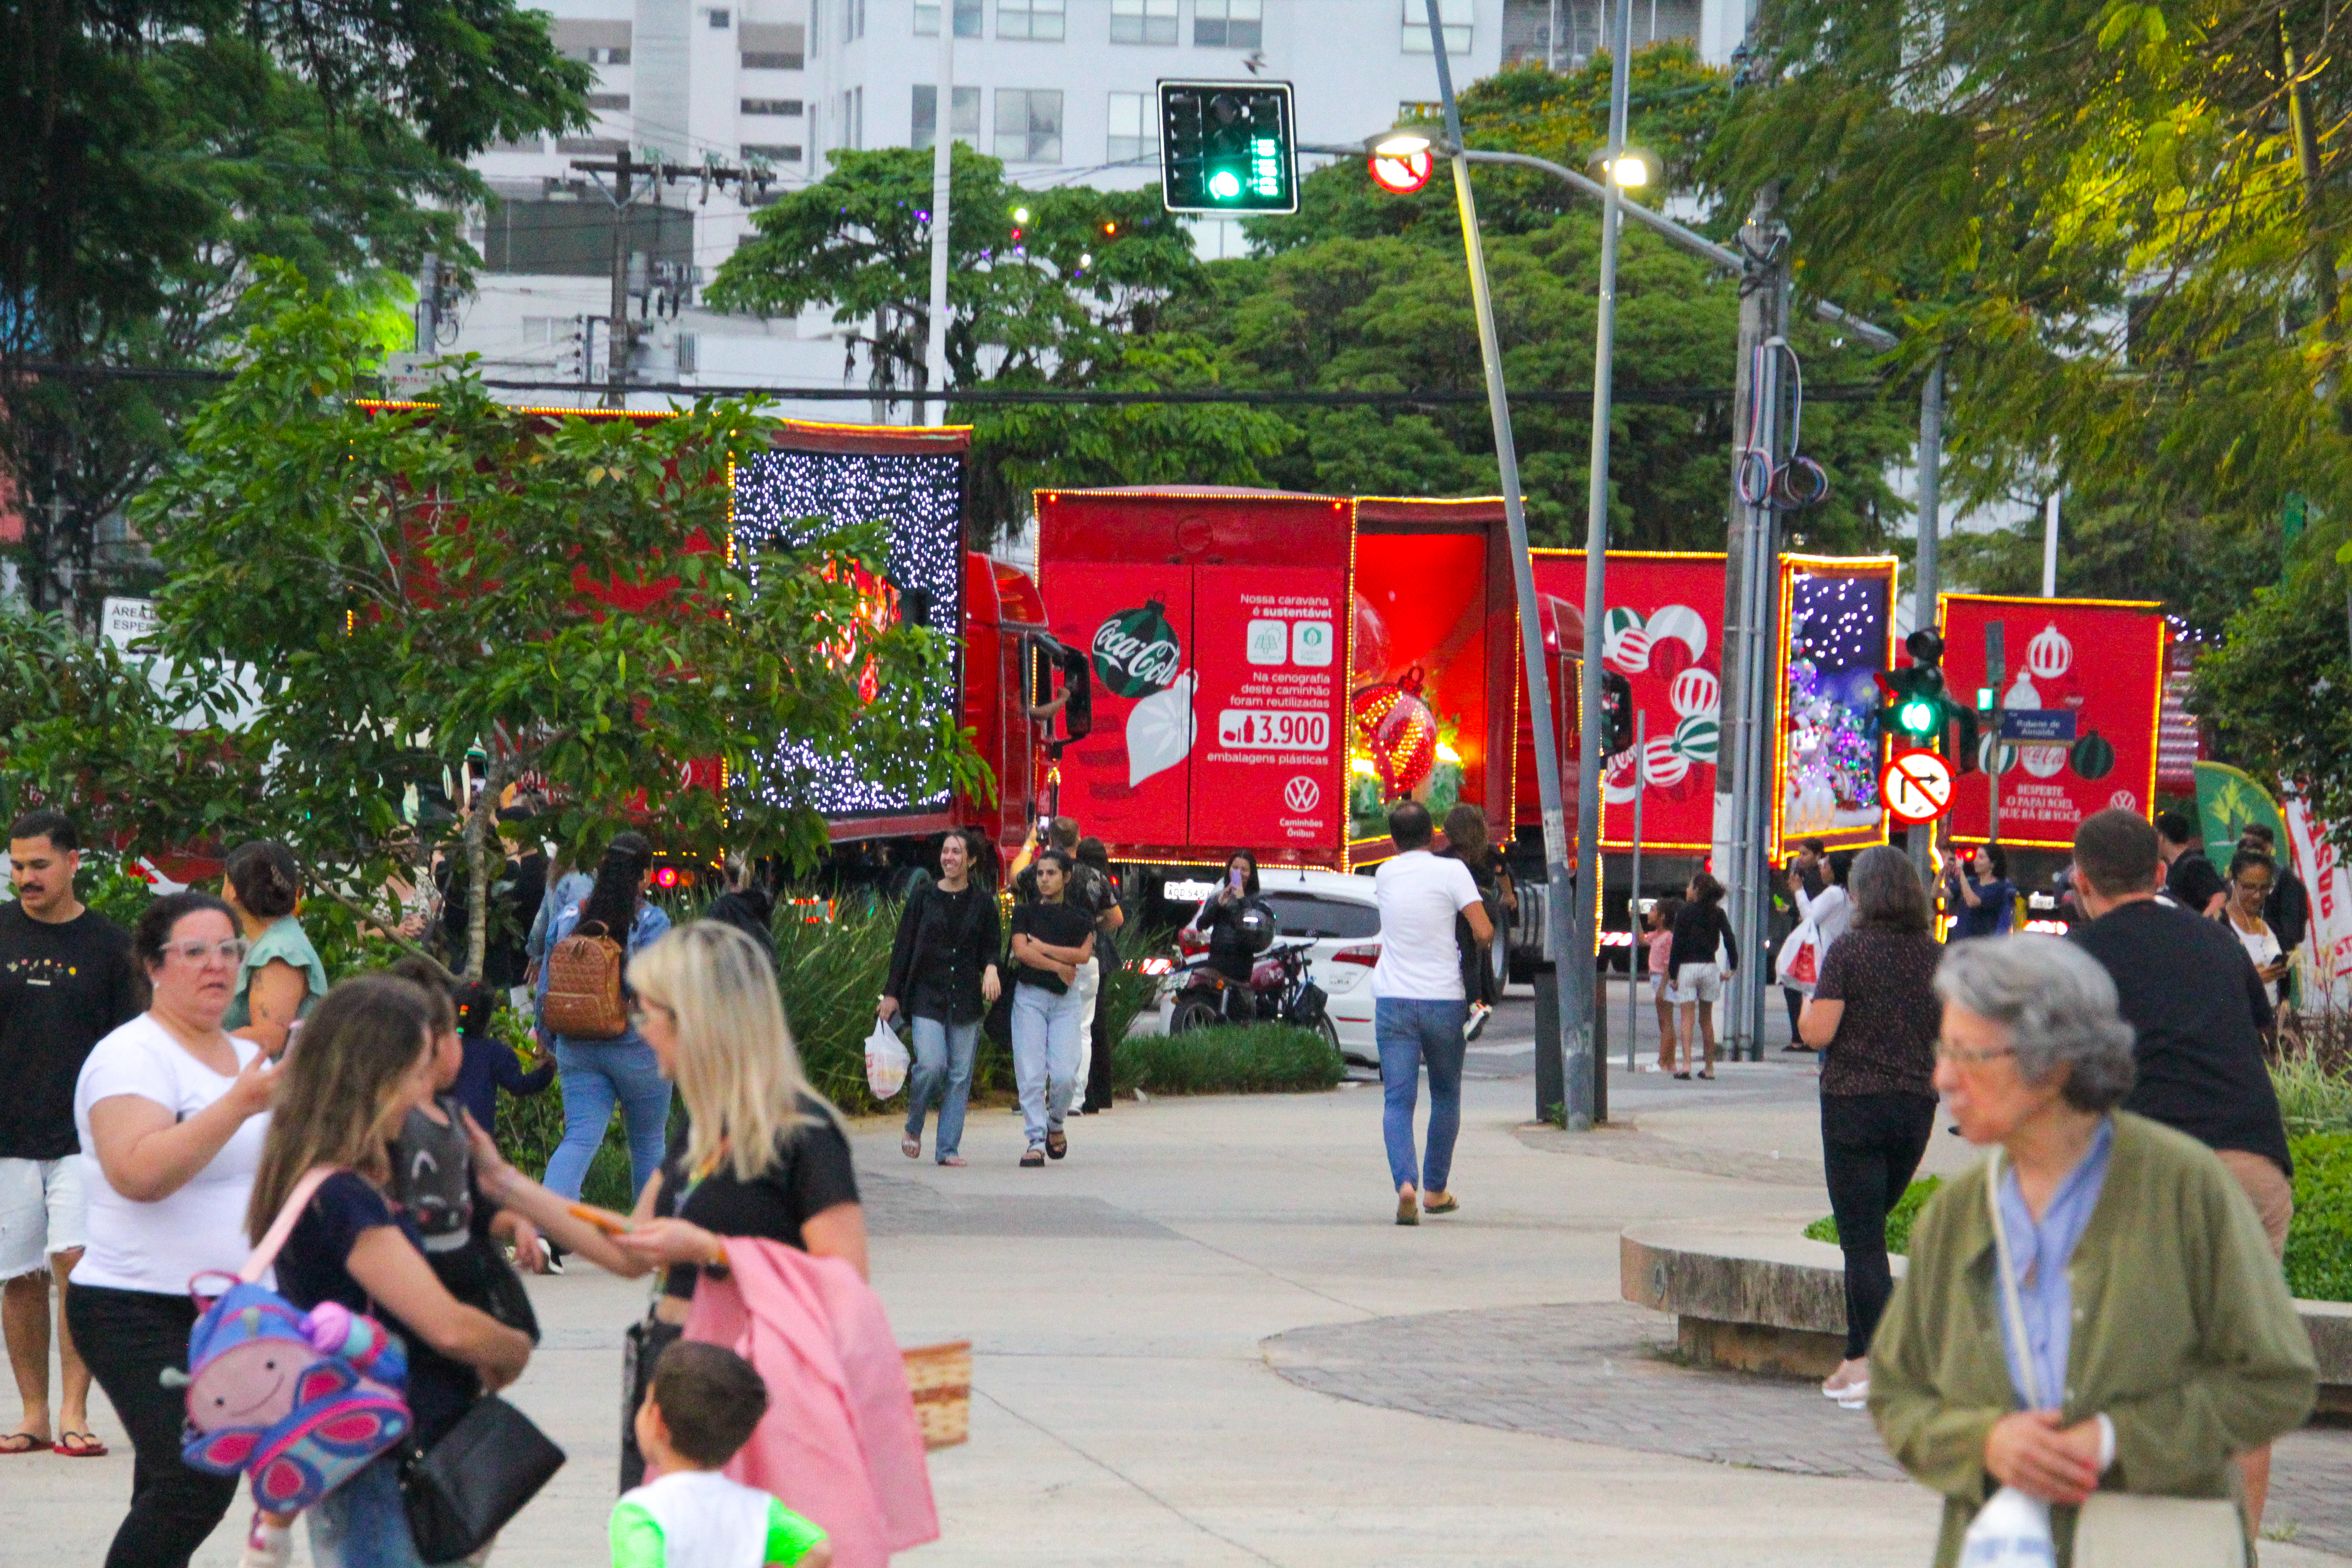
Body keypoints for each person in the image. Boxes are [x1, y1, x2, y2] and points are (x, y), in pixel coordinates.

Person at [1869, 935, 2317, 1568]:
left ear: (2053, 1065)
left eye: (1970, 1055)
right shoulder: (1960, 1214)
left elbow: (2276, 1378)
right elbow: (1896, 1392)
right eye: (1945, 1050)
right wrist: (1986, 1443)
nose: (1944, 1077)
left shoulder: (2185, 1189)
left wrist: (2114, 1441)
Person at [467, 921, 865, 1490]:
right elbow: (632, 1244)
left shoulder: (802, 1130)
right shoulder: (704, 1126)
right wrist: (507, 1183)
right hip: (673, 1375)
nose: (641, 1031)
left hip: (743, 1389)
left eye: (650, 1013)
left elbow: (845, 1282)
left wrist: (712, 1250)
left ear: (699, 1021)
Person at [249, 975, 535, 1568]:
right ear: (378, 1079)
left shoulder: (317, 1178)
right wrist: (511, 1348)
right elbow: (447, 1326)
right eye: (417, 1073)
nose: (425, 1090)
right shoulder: (346, 1196)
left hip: (382, 1450)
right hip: (384, 1460)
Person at [2067, 806, 2297, 1525]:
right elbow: (2261, 1035)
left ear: (2079, 883)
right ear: (2160, 874)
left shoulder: (2078, 956)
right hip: (2257, 1165)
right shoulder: (2215, 941)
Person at [69, 892, 277, 1568]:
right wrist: (239, 1105)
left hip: (231, 1316)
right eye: (195, 953)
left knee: (165, 1490)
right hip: (138, 1310)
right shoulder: (130, 1057)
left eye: (228, 951)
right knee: (197, 1478)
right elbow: (138, 1173)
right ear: (154, 967)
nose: (216, 967)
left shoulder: (243, 1058)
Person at [1, 810, 141, 1459]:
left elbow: (132, 1048)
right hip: (7, 1138)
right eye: (17, 865)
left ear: (73, 862)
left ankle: (73, 1412)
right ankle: (30, 1412)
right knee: (20, 1278)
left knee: (78, 1271)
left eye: (38, 865)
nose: (25, 878)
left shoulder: (111, 947)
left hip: (83, 1140)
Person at [1797, 846, 1941, 1410]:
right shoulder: (1937, 957)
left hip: (1854, 1106)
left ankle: (1882, 1364)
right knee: (1868, 1236)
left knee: (1861, 1242)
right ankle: (1854, 1359)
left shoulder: (1849, 953)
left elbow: (1817, 1032)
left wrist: (1811, 1006)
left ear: (1863, 896)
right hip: (1915, 1109)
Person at [1369, 801, 1491, 1226]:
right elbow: (1483, 929)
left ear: (1392, 840)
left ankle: (1406, 1184)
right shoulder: (1453, 872)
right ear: (1433, 835)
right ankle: (1436, 1191)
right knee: (1446, 1095)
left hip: (1394, 999)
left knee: (1398, 1100)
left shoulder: (1384, 874)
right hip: (1443, 999)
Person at [536, 832, 674, 1206]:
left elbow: (546, 989)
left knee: (579, 1137)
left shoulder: (568, 918)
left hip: (577, 1046)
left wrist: (550, 1042)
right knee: (648, 1143)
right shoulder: (652, 923)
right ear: (645, 876)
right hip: (637, 1048)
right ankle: (651, 1236)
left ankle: (547, 1229)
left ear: (602, 870)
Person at [611, 1342, 832, 1568]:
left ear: (657, 1421)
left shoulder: (642, 1513)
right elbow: (818, 1550)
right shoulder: (759, 1510)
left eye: (647, 1402)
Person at [880, 828, 1001, 1166]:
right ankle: (914, 1124)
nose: (949, 858)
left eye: (957, 853)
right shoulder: (922, 898)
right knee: (931, 1066)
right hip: (926, 996)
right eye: (946, 852)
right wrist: (892, 994)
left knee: (960, 1075)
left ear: (971, 861)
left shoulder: (984, 904)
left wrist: (991, 968)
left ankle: (948, 1148)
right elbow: (902, 947)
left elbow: (992, 948)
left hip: (965, 998)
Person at [1008, 852, 1095, 1168]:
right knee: (1030, 1073)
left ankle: (1056, 1121)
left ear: (1066, 877)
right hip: (1029, 997)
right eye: (1041, 873)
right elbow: (1021, 952)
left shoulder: (1079, 917)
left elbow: (1083, 955)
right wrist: (1059, 966)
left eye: (1052, 873)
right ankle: (1035, 1139)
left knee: (1064, 1074)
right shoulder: (1025, 913)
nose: (1045, 879)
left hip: (1065, 1001)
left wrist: (1043, 948)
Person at [220, 839, 329, 1056]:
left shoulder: (278, 953)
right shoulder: (273, 941)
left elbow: (270, 1039)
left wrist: (195, 1043)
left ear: (233, 891)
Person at [443, 979, 555, 1149]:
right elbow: (519, 1085)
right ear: (489, 1017)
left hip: (443, 1133)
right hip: (479, 1139)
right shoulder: (496, 1052)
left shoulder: (442, 1050)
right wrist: (547, 1070)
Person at [1181, 852, 1271, 1022]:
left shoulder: (1257, 901)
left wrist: (1242, 899)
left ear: (1251, 874)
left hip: (1240, 965)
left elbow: (1255, 926)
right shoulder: (1218, 897)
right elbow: (1202, 925)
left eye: (1244, 870)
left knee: (1238, 1011)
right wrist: (1218, 905)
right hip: (1217, 962)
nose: (1239, 873)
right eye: (1235, 868)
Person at [1666, 873, 1738, 1080]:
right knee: (1706, 1020)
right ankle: (1709, 1067)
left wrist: (1673, 973)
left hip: (1688, 968)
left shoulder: (1684, 913)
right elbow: (1729, 939)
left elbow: (1677, 945)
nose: (1687, 890)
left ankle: (1686, 1065)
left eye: (1690, 886)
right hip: (1710, 967)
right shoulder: (1718, 913)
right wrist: (1733, 966)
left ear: (1697, 891)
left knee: (1687, 1017)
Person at [1441, 805, 1503, 1039]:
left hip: (1460, 910)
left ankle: (1471, 1005)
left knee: (1461, 954)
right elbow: (1503, 874)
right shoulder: (1489, 855)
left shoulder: (1446, 858)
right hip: (1484, 908)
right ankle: (1476, 1004)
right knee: (1472, 959)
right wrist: (1508, 897)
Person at [1072, 837, 1124, 1112]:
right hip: (1101, 955)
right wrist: (1098, 924)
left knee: (1083, 1025)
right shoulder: (1105, 880)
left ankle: (1086, 1092)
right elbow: (1117, 919)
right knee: (1096, 1026)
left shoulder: (1077, 878)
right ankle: (1102, 1093)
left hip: (1083, 952)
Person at [2221, 849, 2290, 1024]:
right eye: (2249, 887)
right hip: (2240, 1026)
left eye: (2265, 887)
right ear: (2233, 882)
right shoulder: (2219, 928)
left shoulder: (2271, 926)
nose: (2257, 895)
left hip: (2274, 1025)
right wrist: (2252, 981)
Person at [1778, 839, 1828, 1044]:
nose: (1800, 858)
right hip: (1805, 935)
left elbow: (1811, 913)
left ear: (1817, 856)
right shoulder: (1804, 877)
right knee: (1796, 984)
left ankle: (1804, 1036)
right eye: (1799, 854)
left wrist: (1791, 908)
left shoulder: (1817, 879)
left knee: (1801, 985)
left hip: (1812, 938)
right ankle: (1801, 1035)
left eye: (1805, 854)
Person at [2240, 823, 2309, 968]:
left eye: (2254, 845)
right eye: (2243, 844)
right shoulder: (2238, 878)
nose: (2247, 849)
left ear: (2268, 848)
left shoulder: (2284, 880)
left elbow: (2293, 928)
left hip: (2273, 964)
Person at [2156, 809, 2229, 916]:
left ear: (2161, 838)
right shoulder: (2175, 866)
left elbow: (2219, 897)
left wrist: (2199, 925)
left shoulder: (2194, 865)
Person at [1944, 842, 2016, 940]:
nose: (1976, 861)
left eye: (1981, 858)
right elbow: (1937, 893)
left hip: (1980, 945)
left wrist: (1961, 872)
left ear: (1993, 864)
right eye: (1976, 857)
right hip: (1961, 942)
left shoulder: (1999, 887)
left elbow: (1972, 902)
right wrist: (1943, 870)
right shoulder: (1972, 882)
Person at [1645, 897, 1682, 1074]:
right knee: (1664, 1022)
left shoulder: (1668, 937)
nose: (1650, 914)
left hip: (1663, 980)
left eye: (1653, 910)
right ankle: (1671, 1062)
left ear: (1663, 917)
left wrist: (1662, 987)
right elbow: (1641, 940)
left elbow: (1669, 963)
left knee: (1666, 1021)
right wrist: (1635, 919)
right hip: (1656, 979)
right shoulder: (1657, 935)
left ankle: (1662, 1062)